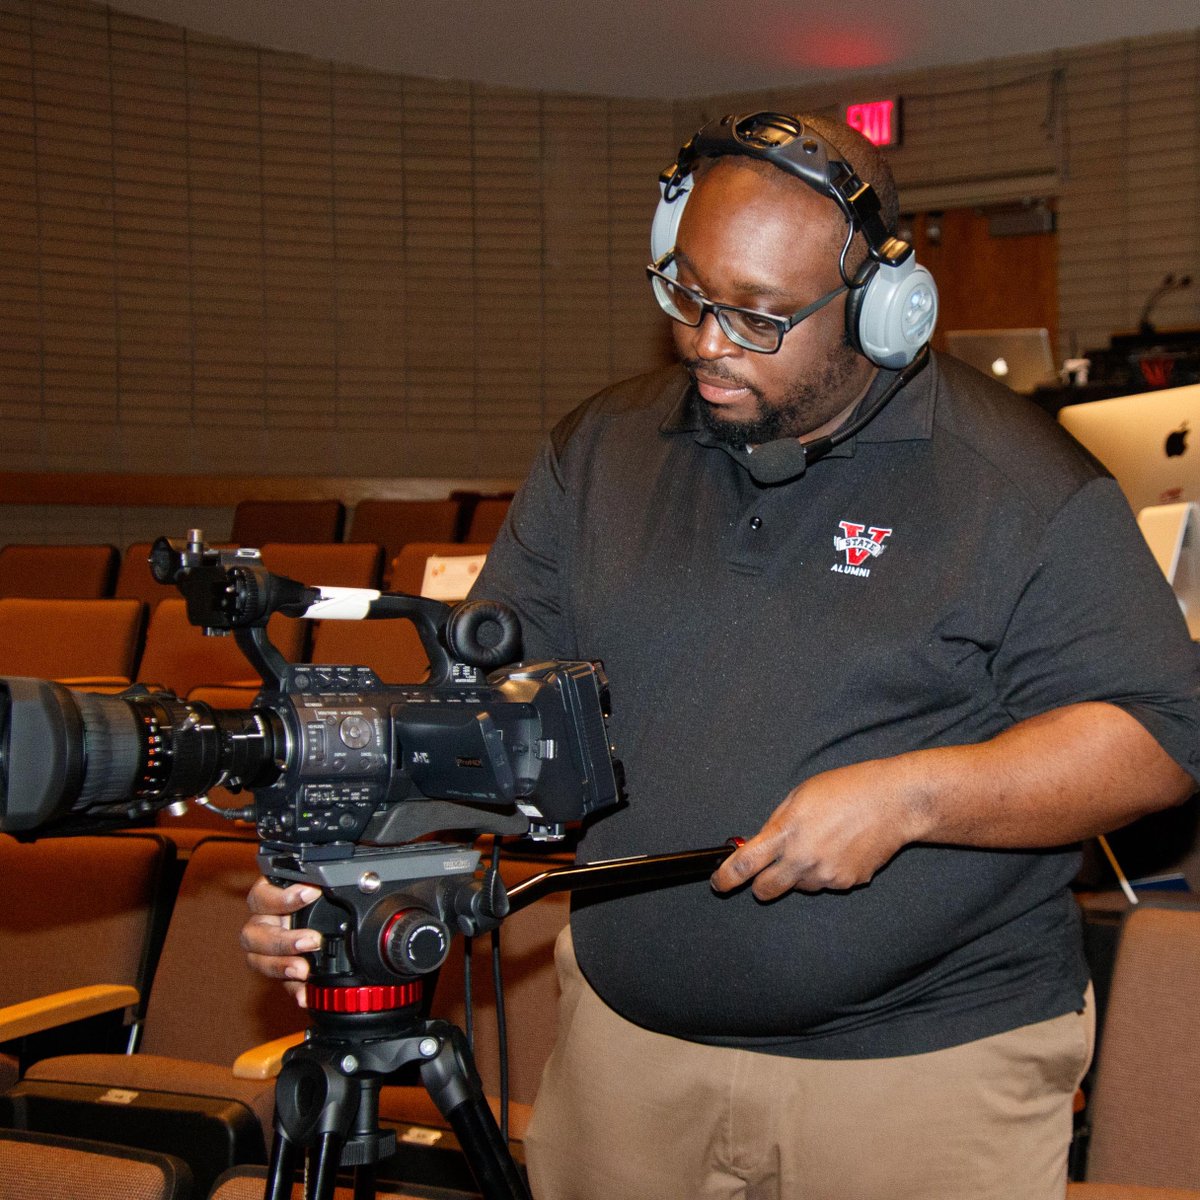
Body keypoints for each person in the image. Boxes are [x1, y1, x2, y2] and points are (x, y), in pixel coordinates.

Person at [244, 112, 1200, 1200]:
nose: (706, 340)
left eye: (756, 315)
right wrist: (348, 868)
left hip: (925, 1080)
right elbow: (485, 725)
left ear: (885, 309)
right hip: (627, 1063)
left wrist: (915, 798)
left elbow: (1161, 736)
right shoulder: (596, 456)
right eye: (687, 293)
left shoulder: (1023, 484)